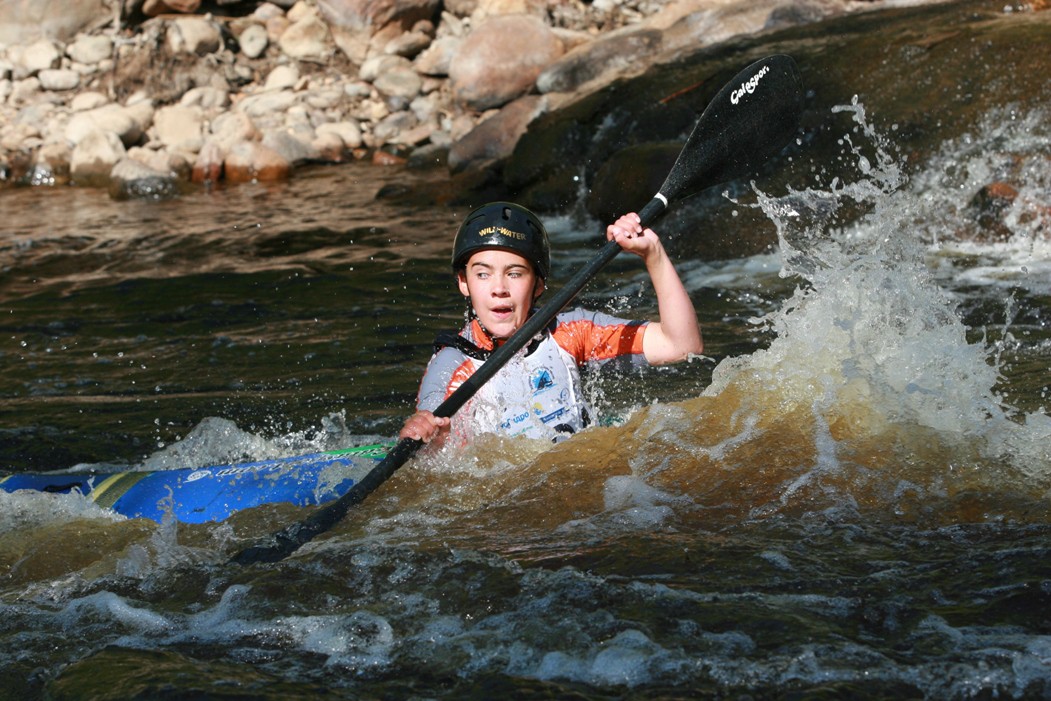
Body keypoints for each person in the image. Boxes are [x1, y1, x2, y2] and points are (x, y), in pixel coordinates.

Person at [399, 201, 702, 446]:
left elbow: (681, 345)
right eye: (482, 274)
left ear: (538, 284)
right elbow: (434, 445)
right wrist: (429, 432)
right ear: (463, 282)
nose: (499, 288)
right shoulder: (451, 365)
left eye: (515, 273)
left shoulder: (569, 332)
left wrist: (653, 254)